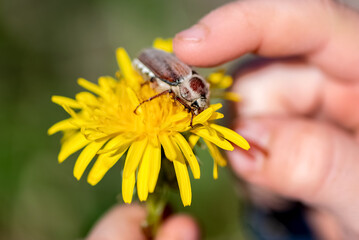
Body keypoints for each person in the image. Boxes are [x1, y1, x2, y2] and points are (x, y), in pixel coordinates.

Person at [87, 0, 359, 239]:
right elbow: (164, 85)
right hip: (150, 63)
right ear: (186, 91)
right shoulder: (175, 85)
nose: (195, 108)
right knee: (158, 94)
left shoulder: (195, 87)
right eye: (194, 104)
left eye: (197, 104)